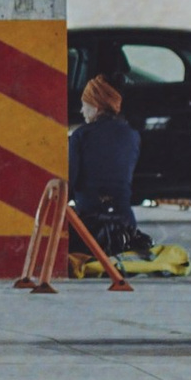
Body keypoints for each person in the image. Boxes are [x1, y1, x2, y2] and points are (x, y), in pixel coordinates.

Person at [69, 76, 147, 257]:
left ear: (96, 107)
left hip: (91, 228)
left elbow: (71, 181)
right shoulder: (132, 135)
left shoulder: (81, 135)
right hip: (126, 226)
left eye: (84, 105)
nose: (81, 111)